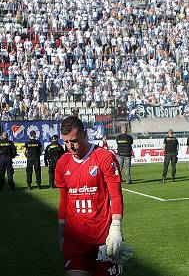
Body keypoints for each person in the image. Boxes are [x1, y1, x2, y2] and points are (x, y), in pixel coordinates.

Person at [55, 115, 133, 275]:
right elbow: (64, 200)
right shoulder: (62, 163)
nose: (71, 147)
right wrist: (61, 231)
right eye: (66, 142)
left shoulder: (104, 157)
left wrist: (116, 228)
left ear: (85, 134)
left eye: (74, 141)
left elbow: (116, 195)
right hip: (74, 241)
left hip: (103, 239)